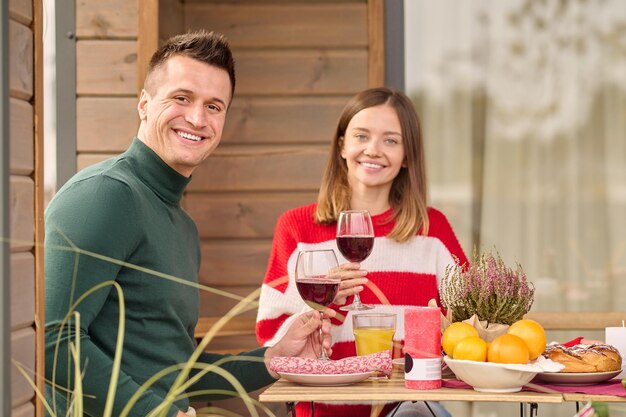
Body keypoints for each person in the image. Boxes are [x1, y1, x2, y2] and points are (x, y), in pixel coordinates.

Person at [44, 31, 333, 417]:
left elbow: (174, 370)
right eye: (181, 98)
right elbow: (52, 341)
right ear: (144, 104)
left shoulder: (180, 222)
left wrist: (274, 357)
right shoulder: (105, 196)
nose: (197, 118)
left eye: (214, 106)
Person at [256, 87, 469, 417]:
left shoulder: (432, 230)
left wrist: (448, 328)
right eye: (361, 136)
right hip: (320, 408)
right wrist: (322, 305)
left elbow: (470, 325)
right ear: (342, 145)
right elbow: (273, 338)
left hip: (409, 409)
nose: (374, 150)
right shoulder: (297, 228)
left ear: (407, 156)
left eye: (391, 140)